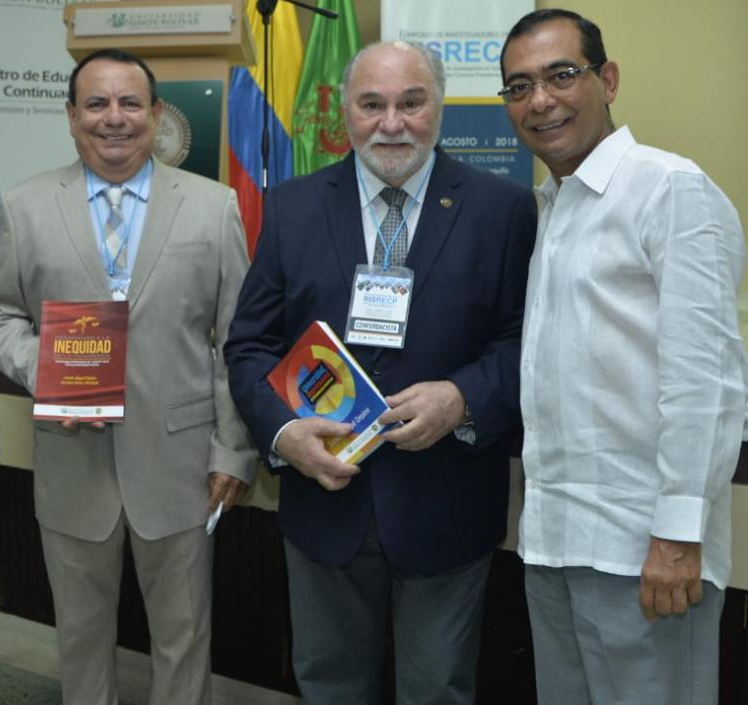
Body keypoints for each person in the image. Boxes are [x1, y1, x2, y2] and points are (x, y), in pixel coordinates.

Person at [224, 41, 537, 705]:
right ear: (346, 112)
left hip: (446, 503)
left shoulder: (503, 210)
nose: (391, 122)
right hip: (322, 502)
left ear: (439, 108)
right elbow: (249, 344)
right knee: (330, 686)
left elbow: (525, 342)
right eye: (372, 104)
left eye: (411, 102)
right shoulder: (291, 208)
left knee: (438, 690)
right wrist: (283, 435)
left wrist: (461, 396)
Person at [0, 48, 253, 705]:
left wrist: (233, 449)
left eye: (131, 103)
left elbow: (236, 341)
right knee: (80, 636)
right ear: (71, 117)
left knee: (183, 639)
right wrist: (48, 371)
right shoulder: (25, 205)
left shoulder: (214, 208)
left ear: (156, 115)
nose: (114, 118)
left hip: (182, 464)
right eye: (96, 103)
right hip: (73, 460)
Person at [498, 9, 748, 704]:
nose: (540, 100)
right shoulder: (553, 206)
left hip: (644, 554)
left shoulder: (669, 189)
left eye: (561, 75)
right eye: (519, 87)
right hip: (553, 542)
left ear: (607, 80)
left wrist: (677, 534)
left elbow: (707, 379)